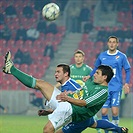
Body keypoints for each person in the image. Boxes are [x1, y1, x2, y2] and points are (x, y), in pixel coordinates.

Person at [3, 51, 128, 133]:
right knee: (41, 83)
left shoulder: (102, 91)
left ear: (105, 77)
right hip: (69, 106)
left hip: (74, 113)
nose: (93, 74)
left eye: (97, 73)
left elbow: (84, 103)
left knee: (47, 131)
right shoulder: (91, 82)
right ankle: (11, 69)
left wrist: (67, 98)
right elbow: (80, 96)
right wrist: (53, 109)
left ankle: (117, 129)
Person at [83, 36, 131, 133]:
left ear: (117, 44)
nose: (112, 44)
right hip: (104, 88)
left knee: (114, 111)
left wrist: (126, 84)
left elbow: (128, 70)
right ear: (107, 43)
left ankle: (116, 130)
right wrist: (89, 76)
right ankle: (106, 131)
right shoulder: (102, 55)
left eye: (114, 42)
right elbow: (96, 67)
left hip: (116, 87)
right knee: (104, 112)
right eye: (110, 42)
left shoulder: (122, 56)